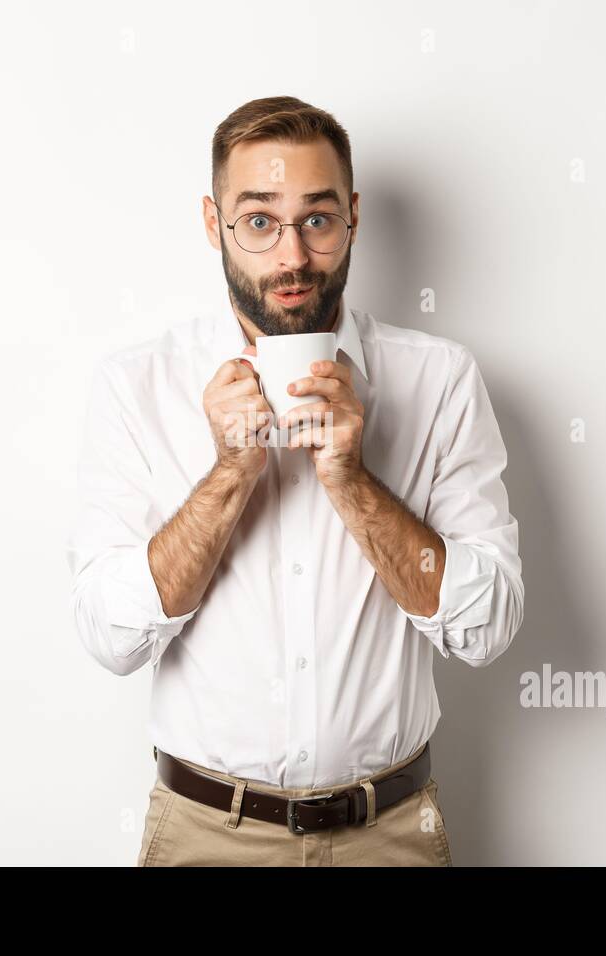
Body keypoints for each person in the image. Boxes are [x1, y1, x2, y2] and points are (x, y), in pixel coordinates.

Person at [65, 96, 524, 866]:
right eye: (258, 221)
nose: (291, 257)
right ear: (215, 224)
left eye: (316, 219)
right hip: (207, 836)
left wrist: (351, 482)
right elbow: (111, 637)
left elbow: (487, 630)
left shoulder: (440, 380)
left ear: (352, 218)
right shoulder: (137, 385)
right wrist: (229, 475)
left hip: (391, 835)